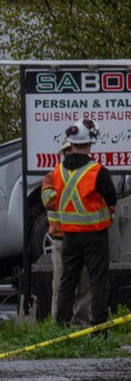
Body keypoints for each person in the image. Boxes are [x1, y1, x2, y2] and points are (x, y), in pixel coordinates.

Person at [52, 119, 117, 326]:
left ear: (70, 144)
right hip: (94, 236)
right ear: (90, 144)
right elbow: (112, 199)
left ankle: (60, 327)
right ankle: (98, 328)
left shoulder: (58, 171)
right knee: (98, 282)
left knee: (67, 282)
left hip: (69, 236)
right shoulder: (98, 172)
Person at [42, 141, 92, 324]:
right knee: (61, 286)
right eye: (69, 150)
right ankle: (59, 327)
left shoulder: (89, 174)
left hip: (85, 237)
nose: (73, 152)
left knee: (85, 286)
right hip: (61, 239)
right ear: (64, 153)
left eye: (75, 148)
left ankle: (82, 326)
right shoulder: (52, 176)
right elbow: (48, 200)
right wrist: (74, 189)